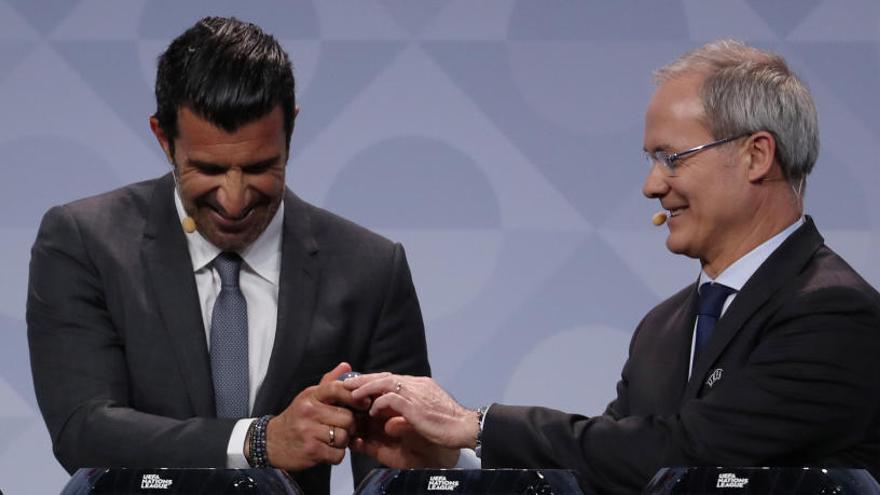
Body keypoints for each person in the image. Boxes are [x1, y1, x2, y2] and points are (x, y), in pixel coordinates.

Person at [343, 39, 880, 494]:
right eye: (650, 161)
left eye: (672, 157)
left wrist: (475, 425)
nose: (652, 185)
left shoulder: (833, 313)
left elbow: (691, 457)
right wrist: (447, 459)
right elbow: (609, 471)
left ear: (756, 156)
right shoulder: (662, 329)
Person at [26, 16, 430, 495]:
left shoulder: (371, 269)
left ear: (291, 130)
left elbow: (400, 474)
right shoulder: (83, 243)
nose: (234, 199)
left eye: (259, 167)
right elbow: (84, 430)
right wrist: (259, 441)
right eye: (208, 169)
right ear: (162, 138)